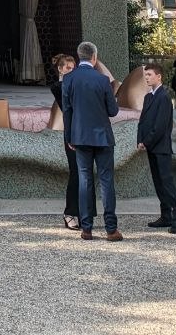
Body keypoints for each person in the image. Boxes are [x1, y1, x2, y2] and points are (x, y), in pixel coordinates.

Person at [61, 39, 122, 241]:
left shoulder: (69, 79)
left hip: (79, 136)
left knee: (85, 181)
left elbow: (67, 111)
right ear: (94, 58)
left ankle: (86, 228)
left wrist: (69, 136)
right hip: (103, 137)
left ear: (79, 58)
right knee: (106, 182)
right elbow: (113, 111)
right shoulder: (103, 80)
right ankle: (111, 228)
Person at [137, 62, 176, 234]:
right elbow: (143, 120)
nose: (147, 78)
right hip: (151, 146)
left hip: (161, 147)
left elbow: (160, 125)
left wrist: (147, 141)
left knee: (166, 183)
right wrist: (140, 139)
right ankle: (165, 215)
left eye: (150, 75)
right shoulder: (148, 97)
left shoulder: (164, 97)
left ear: (159, 76)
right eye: (146, 75)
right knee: (158, 183)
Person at [51, 52, 94, 230]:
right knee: (76, 173)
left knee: (87, 173)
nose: (71, 71)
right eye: (68, 68)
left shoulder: (76, 84)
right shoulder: (58, 86)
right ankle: (70, 212)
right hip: (72, 133)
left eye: (73, 68)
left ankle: (86, 214)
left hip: (85, 131)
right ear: (60, 69)